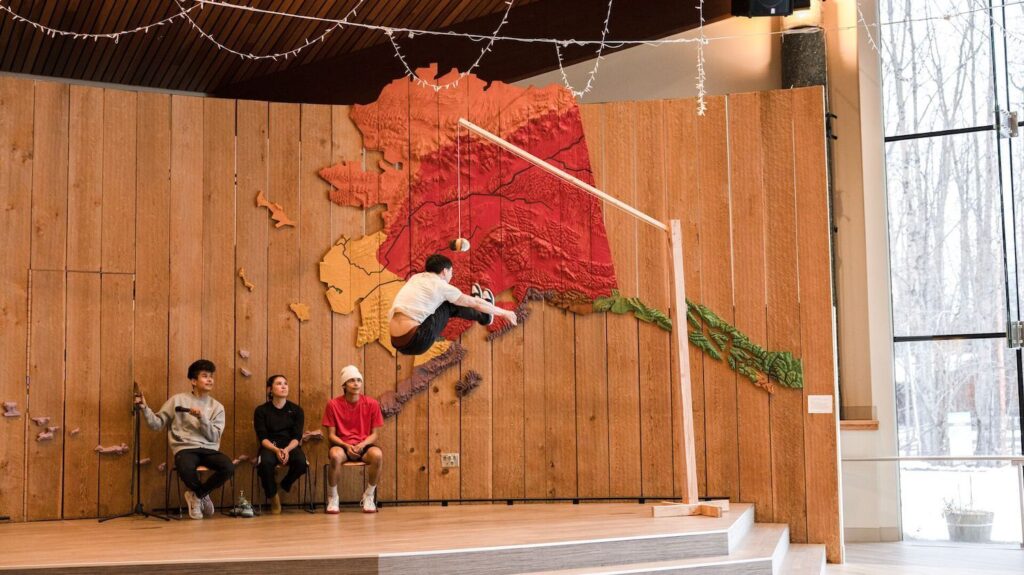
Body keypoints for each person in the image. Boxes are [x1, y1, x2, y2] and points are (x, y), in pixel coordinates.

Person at [136, 359, 233, 520]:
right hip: (185, 448)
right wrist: (145, 408)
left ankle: (198, 495)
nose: (210, 380)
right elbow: (156, 424)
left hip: (209, 449)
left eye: (211, 376)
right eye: (205, 376)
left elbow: (214, 436)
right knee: (186, 467)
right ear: (193, 381)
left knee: (228, 467)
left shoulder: (217, 407)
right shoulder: (177, 400)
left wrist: (202, 418)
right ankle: (202, 494)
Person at [388, 253, 517, 356]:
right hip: (416, 341)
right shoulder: (440, 286)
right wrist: (504, 312)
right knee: (448, 304)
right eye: (451, 272)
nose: (451, 275)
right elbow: (476, 303)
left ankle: (481, 313)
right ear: (444, 271)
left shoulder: (416, 278)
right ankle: (485, 317)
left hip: (396, 342)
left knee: (442, 303)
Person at [322, 365, 384, 514]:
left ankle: (369, 495)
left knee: (378, 455)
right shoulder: (333, 404)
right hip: (342, 445)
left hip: (364, 445)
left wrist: (362, 445)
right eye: (351, 381)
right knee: (335, 456)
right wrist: (346, 445)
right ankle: (333, 497)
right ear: (344, 385)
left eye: (358, 380)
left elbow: (375, 434)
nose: (356, 384)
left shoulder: (372, 404)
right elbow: (331, 435)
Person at [253, 374, 307, 515]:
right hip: (270, 446)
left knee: (301, 462)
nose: (283, 386)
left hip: (290, 445)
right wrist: (276, 450)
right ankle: (273, 497)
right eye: (279, 383)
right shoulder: (261, 410)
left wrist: (287, 450)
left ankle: (282, 486)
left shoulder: (297, 410)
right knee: (265, 464)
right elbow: (262, 437)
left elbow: (297, 436)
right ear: (270, 389)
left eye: (285, 383)